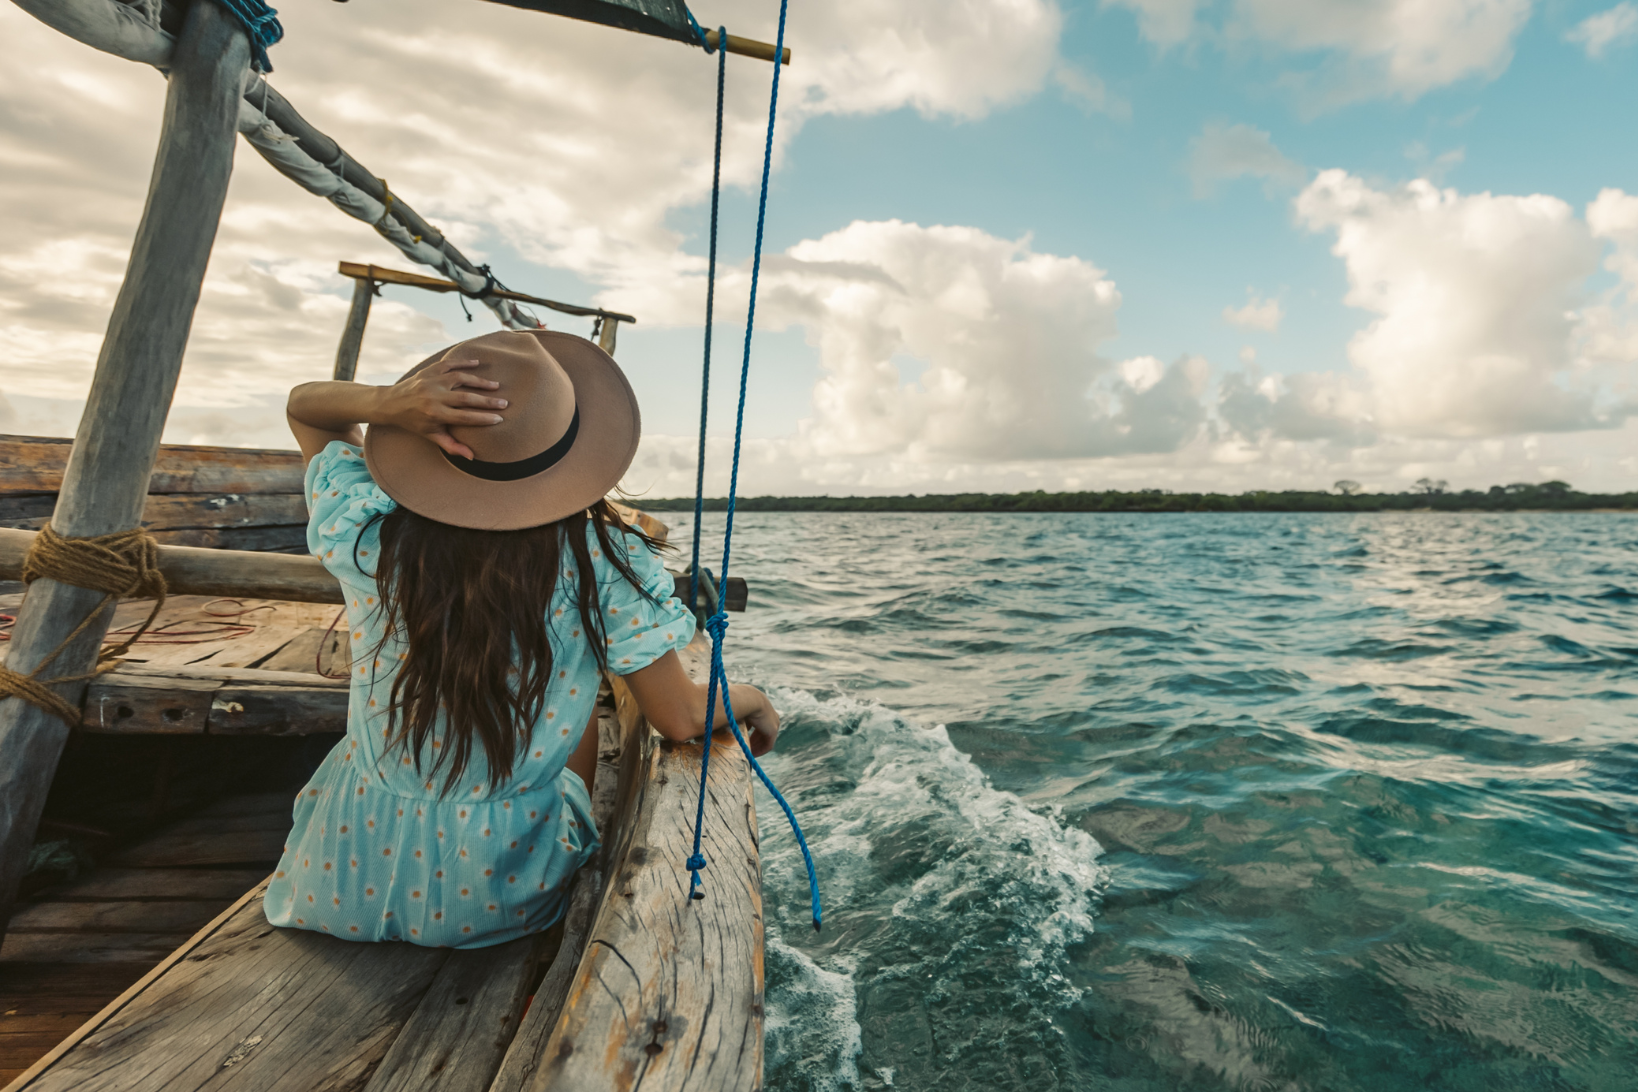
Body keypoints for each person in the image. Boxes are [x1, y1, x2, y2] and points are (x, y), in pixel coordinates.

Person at [263, 329, 779, 948]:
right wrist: (749, 696)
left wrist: (389, 402)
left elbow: (304, 407)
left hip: (340, 874)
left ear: (433, 438)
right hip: (496, 894)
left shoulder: (368, 531)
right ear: (573, 456)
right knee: (578, 689)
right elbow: (680, 717)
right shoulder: (603, 561)